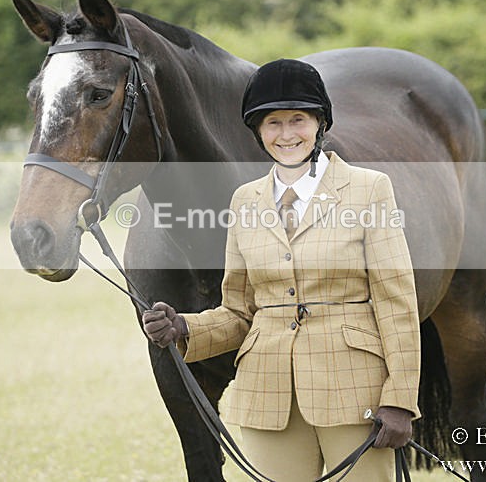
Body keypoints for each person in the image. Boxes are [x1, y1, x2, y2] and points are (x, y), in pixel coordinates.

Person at [142, 58, 420, 481]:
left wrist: (400, 397)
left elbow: (396, 301)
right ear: (257, 130)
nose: (286, 134)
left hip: (353, 392)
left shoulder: (369, 189)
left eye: (298, 120)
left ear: (320, 123)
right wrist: (184, 328)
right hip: (268, 396)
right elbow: (238, 312)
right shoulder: (245, 201)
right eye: (273, 122)